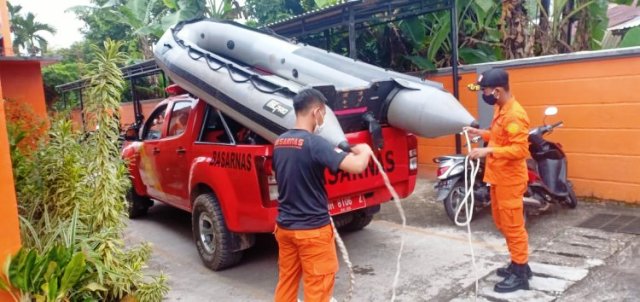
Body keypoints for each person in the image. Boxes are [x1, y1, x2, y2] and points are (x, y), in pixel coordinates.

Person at [273, 88, 372, 302]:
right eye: (323, 115)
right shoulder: (315, 143)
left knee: (287, 282)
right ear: (316, 111)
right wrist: (365, 151)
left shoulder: (280, 142)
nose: (323, 120)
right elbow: (356, 166)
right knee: (318, 288)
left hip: (285, 228)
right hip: (312, 232)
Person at [465, 68, 532, 293]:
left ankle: (521, 273)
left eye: (484, 90)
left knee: (513, 226)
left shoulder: (514, 115)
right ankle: (518, 262)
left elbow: (520, 149)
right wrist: (479, 133)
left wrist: (488, 151)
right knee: (502, 223)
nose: (483, 94)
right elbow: (498, 136)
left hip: (510, 180)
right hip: (499, 177)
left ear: (498, 90)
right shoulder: (501, 108)